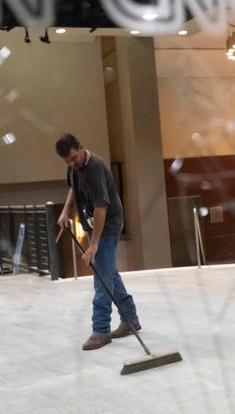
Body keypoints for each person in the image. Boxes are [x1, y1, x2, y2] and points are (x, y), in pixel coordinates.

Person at [55, 134, 140, 350]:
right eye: (67, 162)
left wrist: (94, 244)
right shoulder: (74, 167)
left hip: (108, 225)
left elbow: (101, 209)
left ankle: (101, 329)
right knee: (108, 273)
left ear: (81, 147)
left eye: (74, 158)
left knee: (102, 278)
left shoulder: (95, 168)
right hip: (93, 224)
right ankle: (130, 319)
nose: (72, 164)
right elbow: (73, 188)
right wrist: (65, 212)